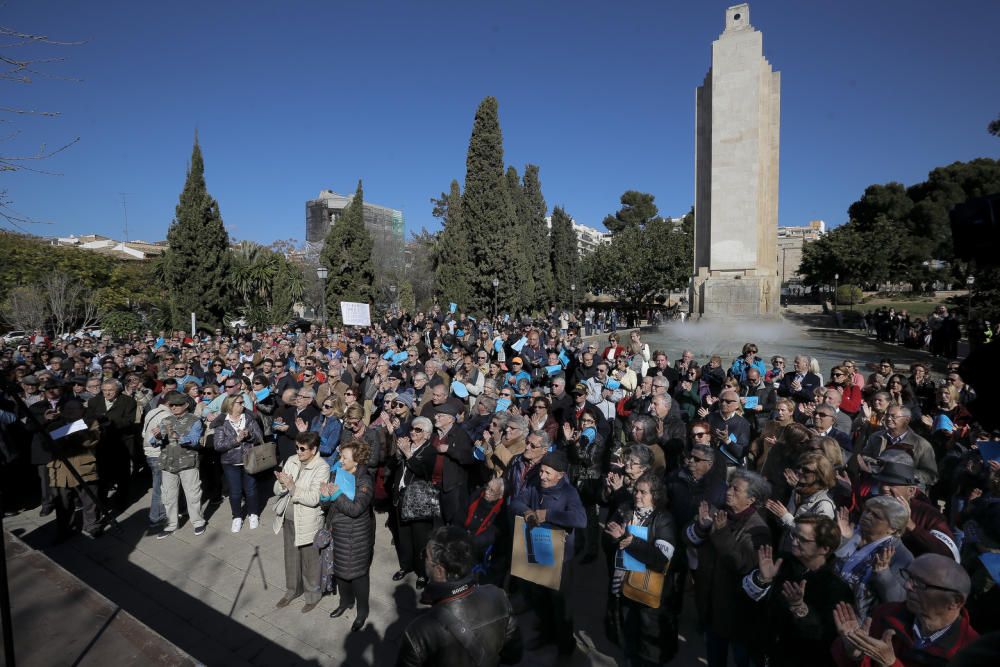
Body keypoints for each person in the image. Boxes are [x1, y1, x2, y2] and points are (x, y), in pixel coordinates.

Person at [396, 526, 523, 667]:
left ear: (439, 571)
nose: (422, 559)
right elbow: (514, 655)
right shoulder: (498, 597)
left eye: (425, 555)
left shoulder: (418, 633)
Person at [684, 468, 772, 667]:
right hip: (710, 604)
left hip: (735, 613)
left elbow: (742, 564)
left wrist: (721, 534)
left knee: (740, 658)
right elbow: (687, 538)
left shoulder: (758, 529)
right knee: (715, 657)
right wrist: (701, 527)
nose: (729, 491)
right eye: (730, 487)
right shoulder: (718, 511)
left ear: (751, 499)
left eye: (736, 489)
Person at [742, 516, 853, 667]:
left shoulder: (836, 588)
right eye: (793, 535)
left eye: (803, 539)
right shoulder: (781, 561)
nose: (794, 542)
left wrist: (800, 608)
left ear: (824, 548)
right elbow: (749, 598)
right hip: (765, 654)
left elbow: (826, 637)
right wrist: (762, 580)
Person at [832, 554, 979, 666]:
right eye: (908, 577)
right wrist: (854, 653)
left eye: (920, 584)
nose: (907, 586)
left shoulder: (972, 652)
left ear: (955, 601)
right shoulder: (887, 614)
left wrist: (891, 663)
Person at [508, 450, 587, 659]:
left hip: (560, 556)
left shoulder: (569, 493)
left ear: (560, 474)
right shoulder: (535, 485)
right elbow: (516, 501)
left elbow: (580, 519)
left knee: (561, 605)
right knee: (539, 598)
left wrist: (549, 515)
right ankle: (546, 633)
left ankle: (565, 647)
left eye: (547, 473)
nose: (542, 476)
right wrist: (526, 511)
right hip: (536, 548)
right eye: (541, 471)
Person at [605, 472, 679, 666]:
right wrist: (614, 537)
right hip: (624, 587)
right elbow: (608, 536)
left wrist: (631, 542)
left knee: (648, 646)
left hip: (649, 592)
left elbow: (661, 559)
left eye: (643, 492)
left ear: (655, 494)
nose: (637, 496)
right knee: (628, 635)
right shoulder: (625, 510)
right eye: (636, 491)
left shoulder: (664, 520)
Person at [274, 431, 331, 614]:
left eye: (302, 449)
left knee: (310, 561)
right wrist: (282, 484)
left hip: (308, 521)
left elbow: (314, 498)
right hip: (289, 518)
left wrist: (291, 487)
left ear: (313, 449)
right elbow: (277, 489)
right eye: (297, 448)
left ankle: (312, 595)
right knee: (290, 557)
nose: (298, 452)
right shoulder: (291, 460)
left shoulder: (322, 467)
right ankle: (292, 590)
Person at [323, 439, 375, 631]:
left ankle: (362, 611)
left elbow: (356, 509)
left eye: (344, 457)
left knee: (358, 575)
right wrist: (326, 496)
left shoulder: (365, 480)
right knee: (341, 572)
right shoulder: (338, 473)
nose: (341, 460)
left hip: (356, 536)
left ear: (357, 460)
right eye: (341, 456)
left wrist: (337, 496)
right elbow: (330, 503)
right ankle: (345, 602)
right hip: (338, 532)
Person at [834, 496, 913, 619]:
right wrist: (842, 540)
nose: (867, 516)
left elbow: (899, 602)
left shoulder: (900, 555)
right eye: (867, 510)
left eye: (876, 516)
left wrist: (883, 573)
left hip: (859, 622)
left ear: (892, 528)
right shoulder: (853, 533)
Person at [150, 391, 206, 538]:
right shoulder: (165, 420)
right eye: (171, 405)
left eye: (178, 405)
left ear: (186, 405)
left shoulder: (195, 420)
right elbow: (155, 442)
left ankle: (198, 522)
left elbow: (194, 440)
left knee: (193, 494)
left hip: (187, 462)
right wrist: (156, 437)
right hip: (168, 462)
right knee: (168, 496)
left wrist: (177, 436)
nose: (174, 407)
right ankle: (171, 524)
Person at [213, 393, 265, 533]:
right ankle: (236, 516)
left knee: (251, 489)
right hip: (230, 462)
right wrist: (236, 440)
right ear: (230, 405)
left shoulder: (249, 418)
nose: (243, 405)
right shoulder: (221, 422)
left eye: (243, 402)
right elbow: (218, 446)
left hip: (249, 460)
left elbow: (260, 437)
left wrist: (249, 436)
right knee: (235, 492)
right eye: (240, 403)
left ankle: (253, 514)